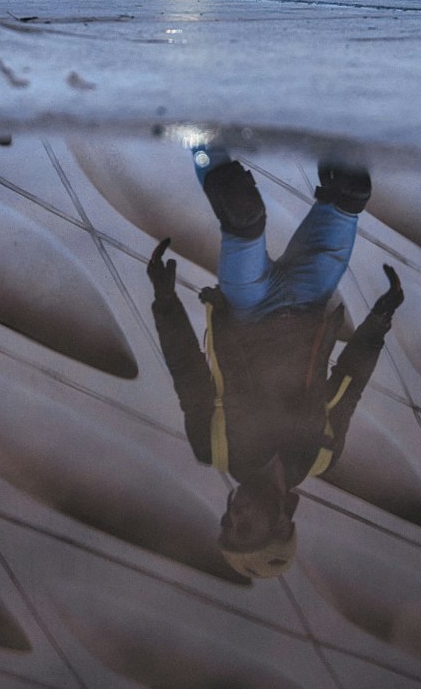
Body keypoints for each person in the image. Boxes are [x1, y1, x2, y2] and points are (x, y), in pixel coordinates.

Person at [147, 148, 404, 579]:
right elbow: (349, 384)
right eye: (245, 526)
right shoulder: (320, 456)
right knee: (351, 190)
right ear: (283, 523)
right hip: (309, 300)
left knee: (240, 209)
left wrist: (164, 299)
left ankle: (196, 127)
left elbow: (185, 368)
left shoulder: (214, 446)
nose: (234, 514)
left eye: (228, 523)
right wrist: (380, 320)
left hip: (249, 305)